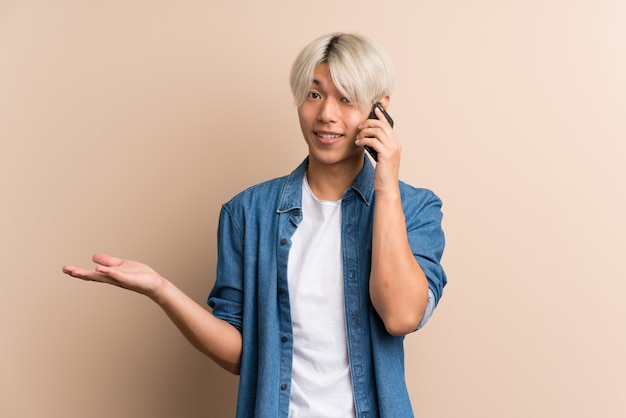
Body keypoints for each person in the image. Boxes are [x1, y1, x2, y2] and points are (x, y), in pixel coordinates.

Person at [62, 32, 447, 417]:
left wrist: (387, 187)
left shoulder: (415, 209)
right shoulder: (247, 213)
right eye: (314, 94)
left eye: (346, 98)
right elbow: (241, 355)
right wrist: (161, 290)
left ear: (379, 110)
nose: (326, 113)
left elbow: (400, 316)